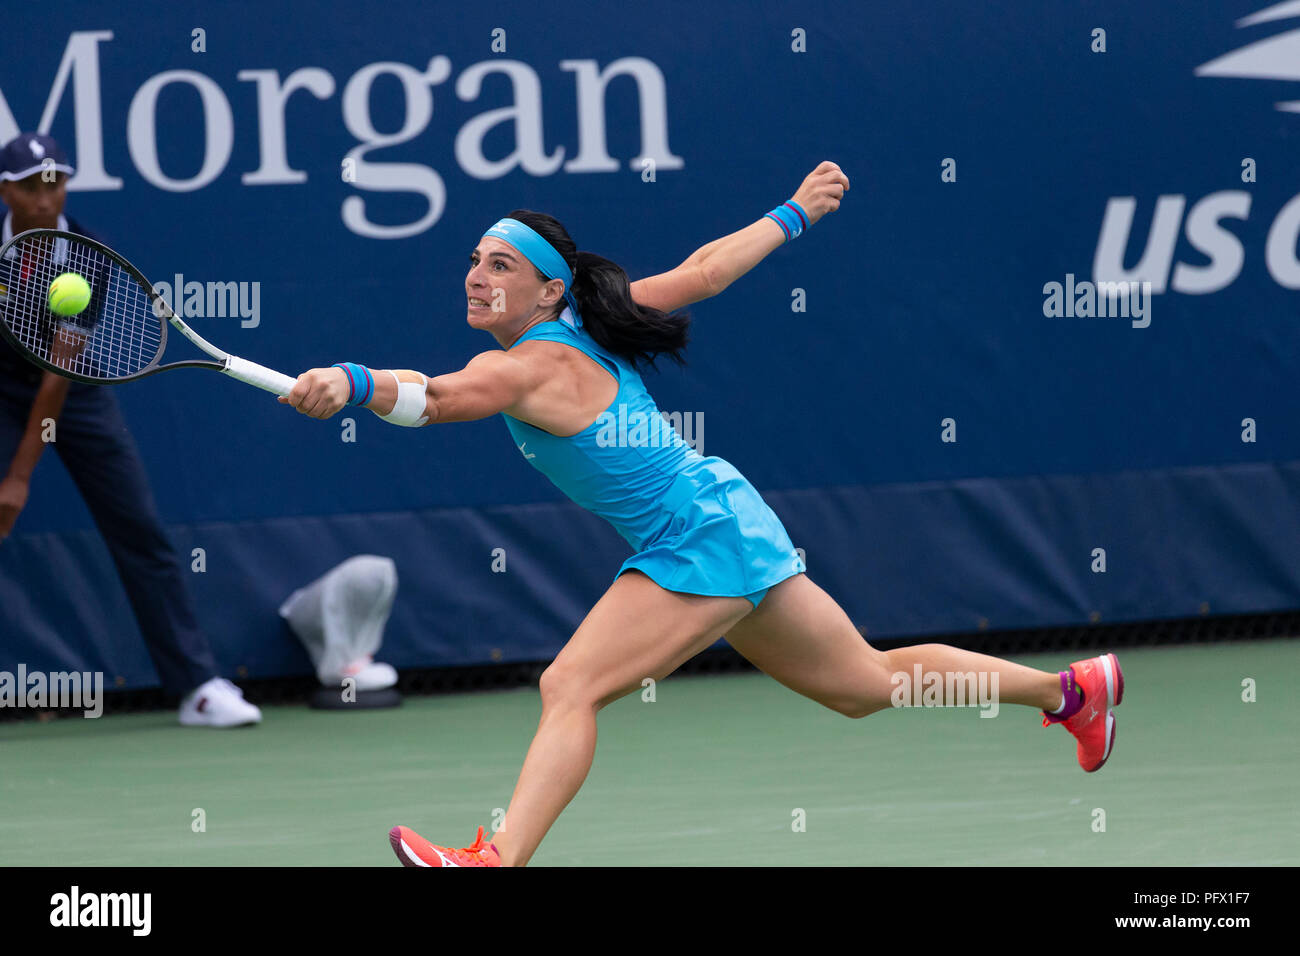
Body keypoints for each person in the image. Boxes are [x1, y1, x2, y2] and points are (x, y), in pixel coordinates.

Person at [282, 161, 1124, 867]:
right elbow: (708, 269)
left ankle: (495, 861)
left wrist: (353, 381)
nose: (477, 274)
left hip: (698, 537)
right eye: (475, 259)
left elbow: (439, 397)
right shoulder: (588, 324)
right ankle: (1070, 692)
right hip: (726, 516)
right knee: (866, 686)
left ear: (547, 291)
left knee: (569, 684)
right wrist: (793, 213)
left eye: (502, 265)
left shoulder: (531, 364)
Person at [0, 132, 260, 728]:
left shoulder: (88, 252)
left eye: (56, 182)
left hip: (72, 388)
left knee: (140, 531)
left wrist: (19, 475)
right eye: (32, 186)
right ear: (6, 190)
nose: (47, 198)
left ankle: (195, 685)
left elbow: (57, 370)